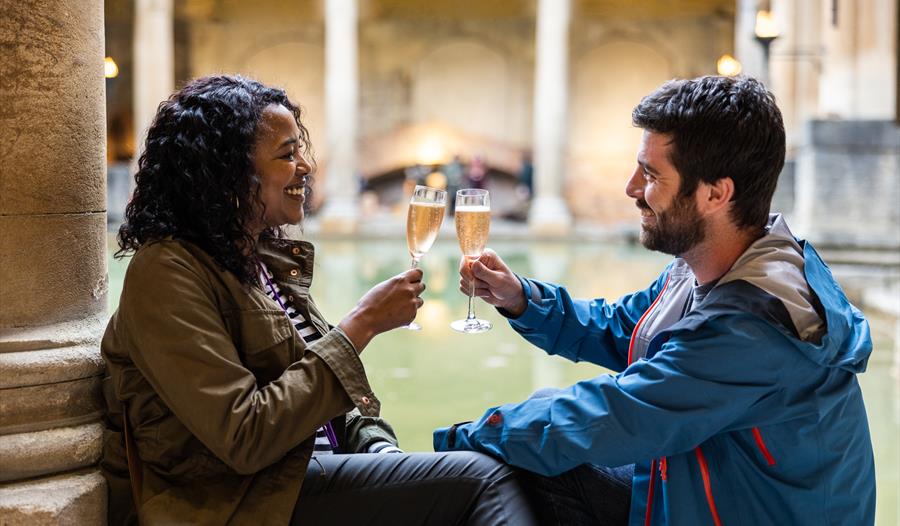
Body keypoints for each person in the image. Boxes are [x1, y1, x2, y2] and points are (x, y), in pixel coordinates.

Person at [434, 76, 876, 525]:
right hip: (705, 493)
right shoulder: (709, 265)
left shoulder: (754, 326)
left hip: (739, 510)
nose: (631, 188)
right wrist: (523, 299)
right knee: (540, 437)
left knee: (528, 449)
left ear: (714, 194)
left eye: (650, 174)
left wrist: (449, 443)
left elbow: (612, 416)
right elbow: (623, 328)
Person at [100, 75, 538, 525]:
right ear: (228, 171)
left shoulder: (261, 262)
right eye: (287, 155)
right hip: (247, 502)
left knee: (510, 466)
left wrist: (380, 451)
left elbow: (337, 407)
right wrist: (361, 325)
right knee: (484, 477)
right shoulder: (167, 273)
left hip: (302, 478)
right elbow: (244, 434)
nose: (307, 167)